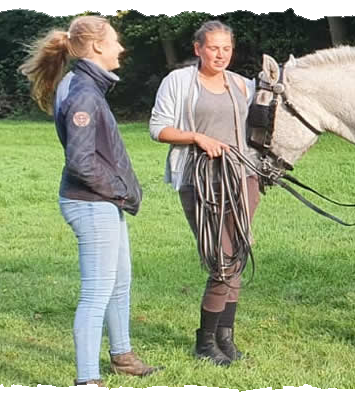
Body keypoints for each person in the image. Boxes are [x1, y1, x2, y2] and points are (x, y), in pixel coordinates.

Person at [18, 15, 160, 386]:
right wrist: (121, 190)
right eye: (114, 41)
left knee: (119, 281)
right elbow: (81, 162)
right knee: (97, 291)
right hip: (92, 202)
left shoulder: (81, 85)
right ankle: (87, 380)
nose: (121, 48)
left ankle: (122, 355)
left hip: (102, 201)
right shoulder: (82, 92)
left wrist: (118, 193)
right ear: (96, 46)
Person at [148, 20, 259, 367]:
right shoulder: (178, 82)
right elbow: (158, 129)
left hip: (242, 178)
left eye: (226, 48)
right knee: (222, 259)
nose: (221, 55)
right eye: (213, 48)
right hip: (201, 181)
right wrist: (197, 138)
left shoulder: (242, 85)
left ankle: (225, 337)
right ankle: (205, 341)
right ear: (198, 49)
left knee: (238, 252)